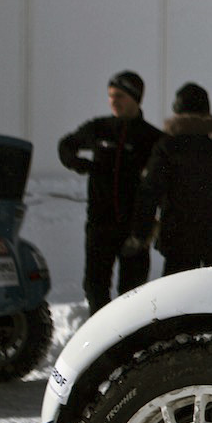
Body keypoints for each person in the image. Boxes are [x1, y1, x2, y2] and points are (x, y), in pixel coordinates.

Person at [57, 70, 163, 310]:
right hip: (100, 224)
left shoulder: (151, 137)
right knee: (95, 287)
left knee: (133, 293)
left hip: (134, 228)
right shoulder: (99, 128)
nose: (113, 101)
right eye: (110, 96)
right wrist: (81, 165)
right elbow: (66, 146)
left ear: (135, 98)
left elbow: (166, 178)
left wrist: (151, 223)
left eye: (120, 96)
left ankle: (130, 333)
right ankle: (101, 332)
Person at [131, 83, 212, 276]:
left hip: (180, 239)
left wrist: (140, 234)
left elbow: (150, 190)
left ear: (177, 111)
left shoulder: (170, 146)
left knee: (181, 292)